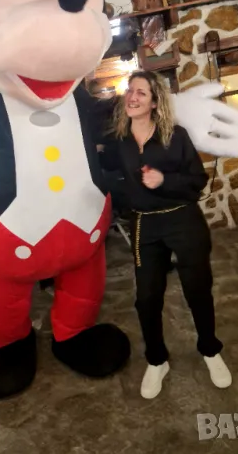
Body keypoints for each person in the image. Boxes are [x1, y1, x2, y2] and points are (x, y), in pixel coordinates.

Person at [98, 70, 231, 399]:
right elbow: (105, 171)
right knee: (146, 298)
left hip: (183, 220)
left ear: (155, 102)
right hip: (144, 224)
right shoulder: (118, 141)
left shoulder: (175, 135)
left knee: (197, 290)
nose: (132, 97)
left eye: (141, 92)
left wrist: (164, 181)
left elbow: (197, 180)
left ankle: (210, 349)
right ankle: (157, 360)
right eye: (130, 90)